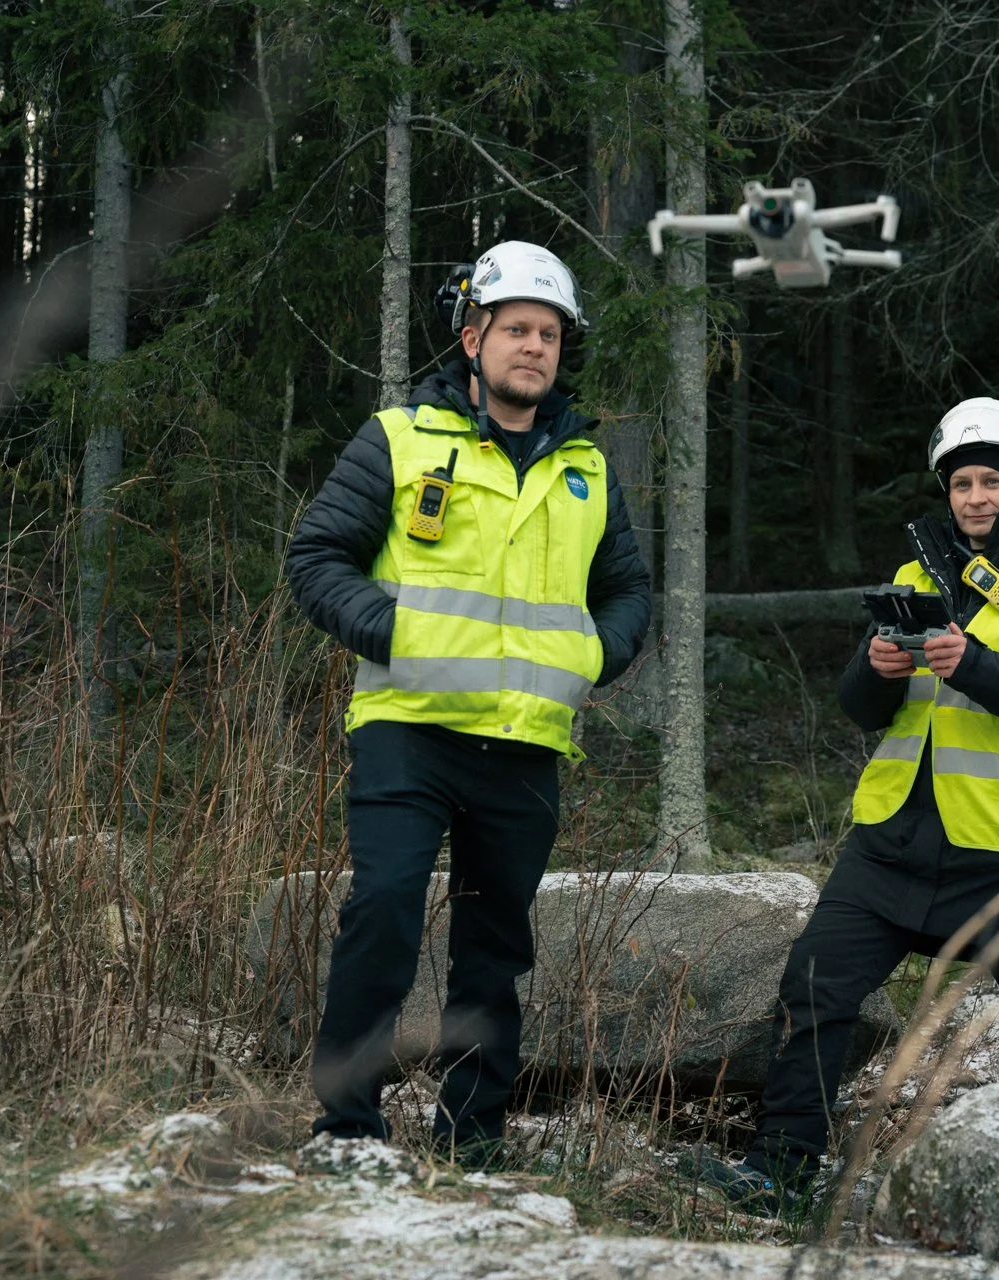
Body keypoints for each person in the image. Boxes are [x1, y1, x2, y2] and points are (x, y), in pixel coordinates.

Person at [700, 396, 999, 1209]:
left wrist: (973, 663)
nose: (975, 498)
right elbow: (863, 709)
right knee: (814, 988)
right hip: (894, 840)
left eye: (992, 480)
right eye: (961, 483)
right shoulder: (914, 574)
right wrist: (875, 671)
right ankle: (777, 1172)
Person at [285, 240, 652, 1161]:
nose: (535, 347)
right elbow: (316, 558)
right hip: (409, 728)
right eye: (518, 329)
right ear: (473, 336)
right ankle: (346, 1126)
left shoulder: (587, 468)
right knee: (385, 912)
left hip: (526, 743)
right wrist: (400, 634)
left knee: (496, 950)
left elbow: (630, 591)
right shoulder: (400, 437)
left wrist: (591, 657)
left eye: (551, 334)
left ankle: (472, 1139)